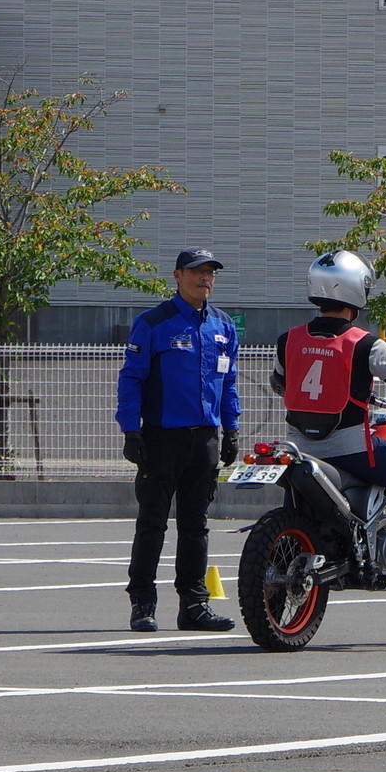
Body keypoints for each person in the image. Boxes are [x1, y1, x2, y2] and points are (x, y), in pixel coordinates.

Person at [271, 250, 386, 555]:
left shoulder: (288, 339)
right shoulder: (366, 344)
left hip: (298, 447)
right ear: (356, 288)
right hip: (352, 451)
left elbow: (278, 383)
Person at [116, 248, 240, 633]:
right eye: (197, 272)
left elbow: (229, 381)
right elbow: (131, 378)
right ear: (177, 276)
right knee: (152, 523)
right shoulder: (154, 323)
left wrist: (232, 428)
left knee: (195, 525)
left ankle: (194, 604)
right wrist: (130, 429)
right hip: (161, 438)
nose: (205, 279)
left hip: (204, 439)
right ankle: (143, 603)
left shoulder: (222, 325)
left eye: (210, 273)